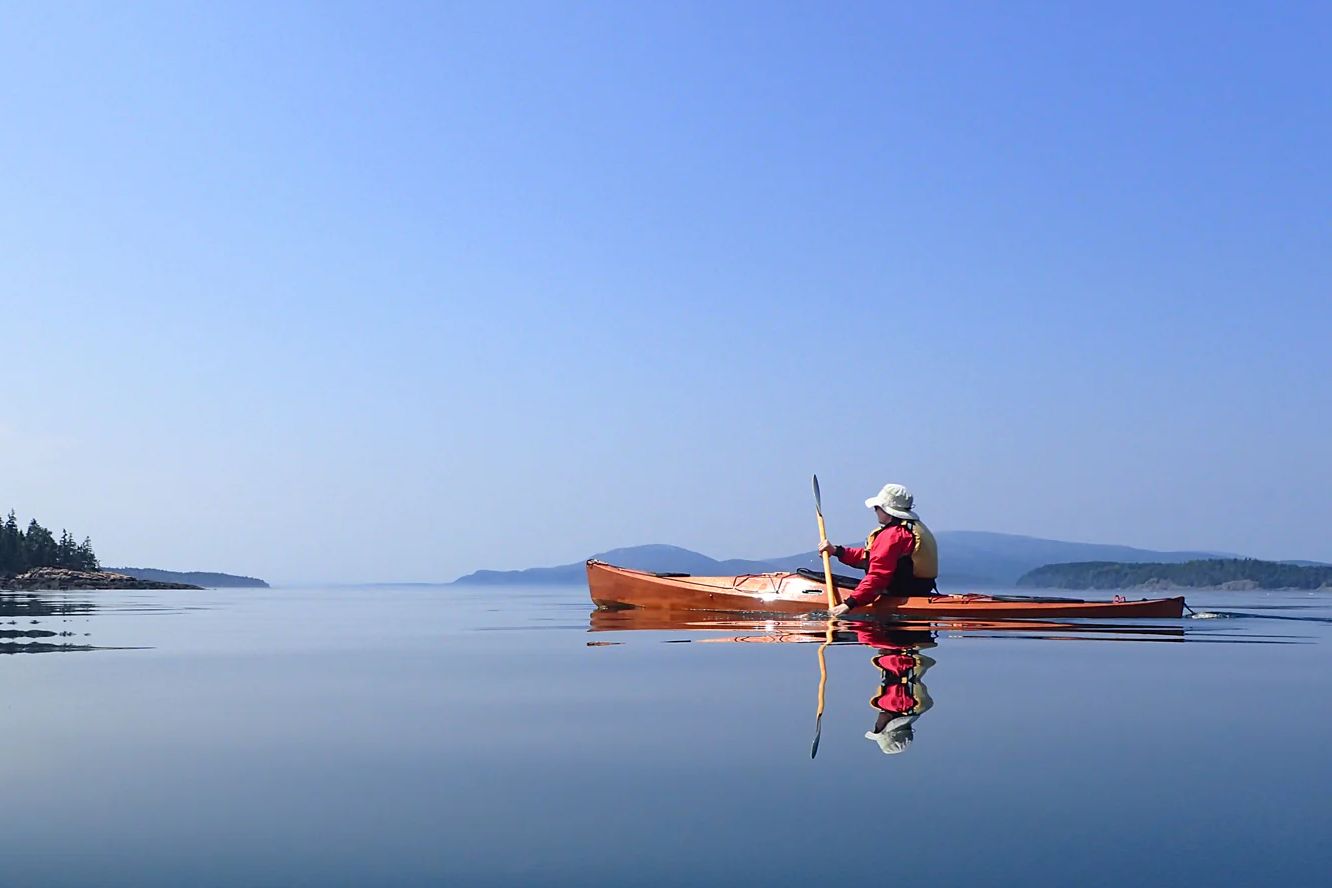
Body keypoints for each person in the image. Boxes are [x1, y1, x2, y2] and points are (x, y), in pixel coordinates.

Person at [817, 483, 939, 617]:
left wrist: (848, 604)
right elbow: (869, 556)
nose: (875, 511)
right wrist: (836, 551)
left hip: (899, 595)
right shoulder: (910, 529)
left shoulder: (893, 535)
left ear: (887, 510)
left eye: (877, 507)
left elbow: (878, 576)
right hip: (920, 590)